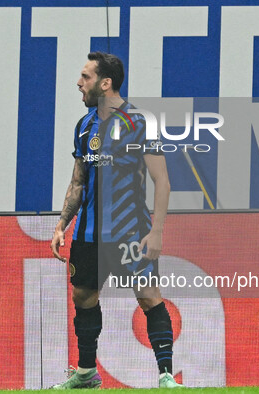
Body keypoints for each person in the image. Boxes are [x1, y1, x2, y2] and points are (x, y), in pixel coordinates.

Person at [50, 52, 182, 389]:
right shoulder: (84, 127)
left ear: (105, 83)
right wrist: (62, 224)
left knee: (149, 297)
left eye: (86, 77)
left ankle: (166, 376)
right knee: (84, 297)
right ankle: (86, 373)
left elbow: (162, 181)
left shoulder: (138, 122)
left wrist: (157, 232)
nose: (79, 84)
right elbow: (78, 181)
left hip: (132, 233)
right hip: (89, 234)